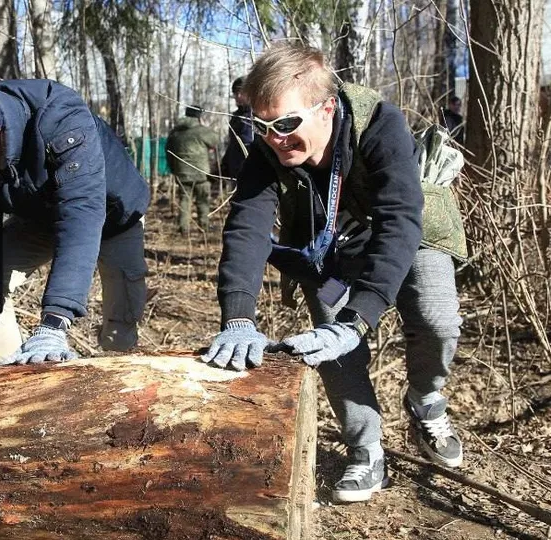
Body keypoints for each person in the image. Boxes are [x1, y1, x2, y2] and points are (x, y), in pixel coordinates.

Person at [201, 43, 467, 503]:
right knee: (331, 342)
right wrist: (238, 316)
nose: (272, 138)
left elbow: (400, 222)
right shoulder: (268, 148)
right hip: (329, 242)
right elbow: (246, 227)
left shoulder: (380, 123)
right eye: (261, 126)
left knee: (436, 318)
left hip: (409, 231)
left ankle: (427, 400)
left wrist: (361, 316)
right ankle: (366, 451)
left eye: (284, 124)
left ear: (326, 108)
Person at [0, 67, 150, 367]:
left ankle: (120, 386)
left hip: (115, 216)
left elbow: (81, 216)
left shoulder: (61, 118)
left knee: (120, 328)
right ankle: (6, 374)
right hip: (39, 217)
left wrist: (52, 326)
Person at [165, 105, 220, 233]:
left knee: (184, 201)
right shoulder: (201, 131)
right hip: (201, 173)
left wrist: (174, 169)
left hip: (182, 173)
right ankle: (204, 227)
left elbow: (168, 151)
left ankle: (183, 229)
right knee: (203, 201)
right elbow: (215, 140)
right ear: (199, 116)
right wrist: (205, 125)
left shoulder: (175, 132)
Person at [220, 77, 255, 182]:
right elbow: (234, 143)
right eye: (235, 93)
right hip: (235, 168)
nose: (238, 96)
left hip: (252, 169)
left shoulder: (257, 115)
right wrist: (225, 163)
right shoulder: (236, 117)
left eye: (241, 93)